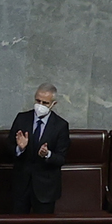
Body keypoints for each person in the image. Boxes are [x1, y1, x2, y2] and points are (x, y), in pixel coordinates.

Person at [7, 87, 68, 216]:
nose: (40, 105)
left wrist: (47, 154)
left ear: (53, 104)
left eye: (45, 103)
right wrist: (20, 148)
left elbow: (61, 158)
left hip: (45, 188)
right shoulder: (22, 118)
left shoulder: (61, 125)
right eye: (38, 101)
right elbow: (8, 148)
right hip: (21, 185)